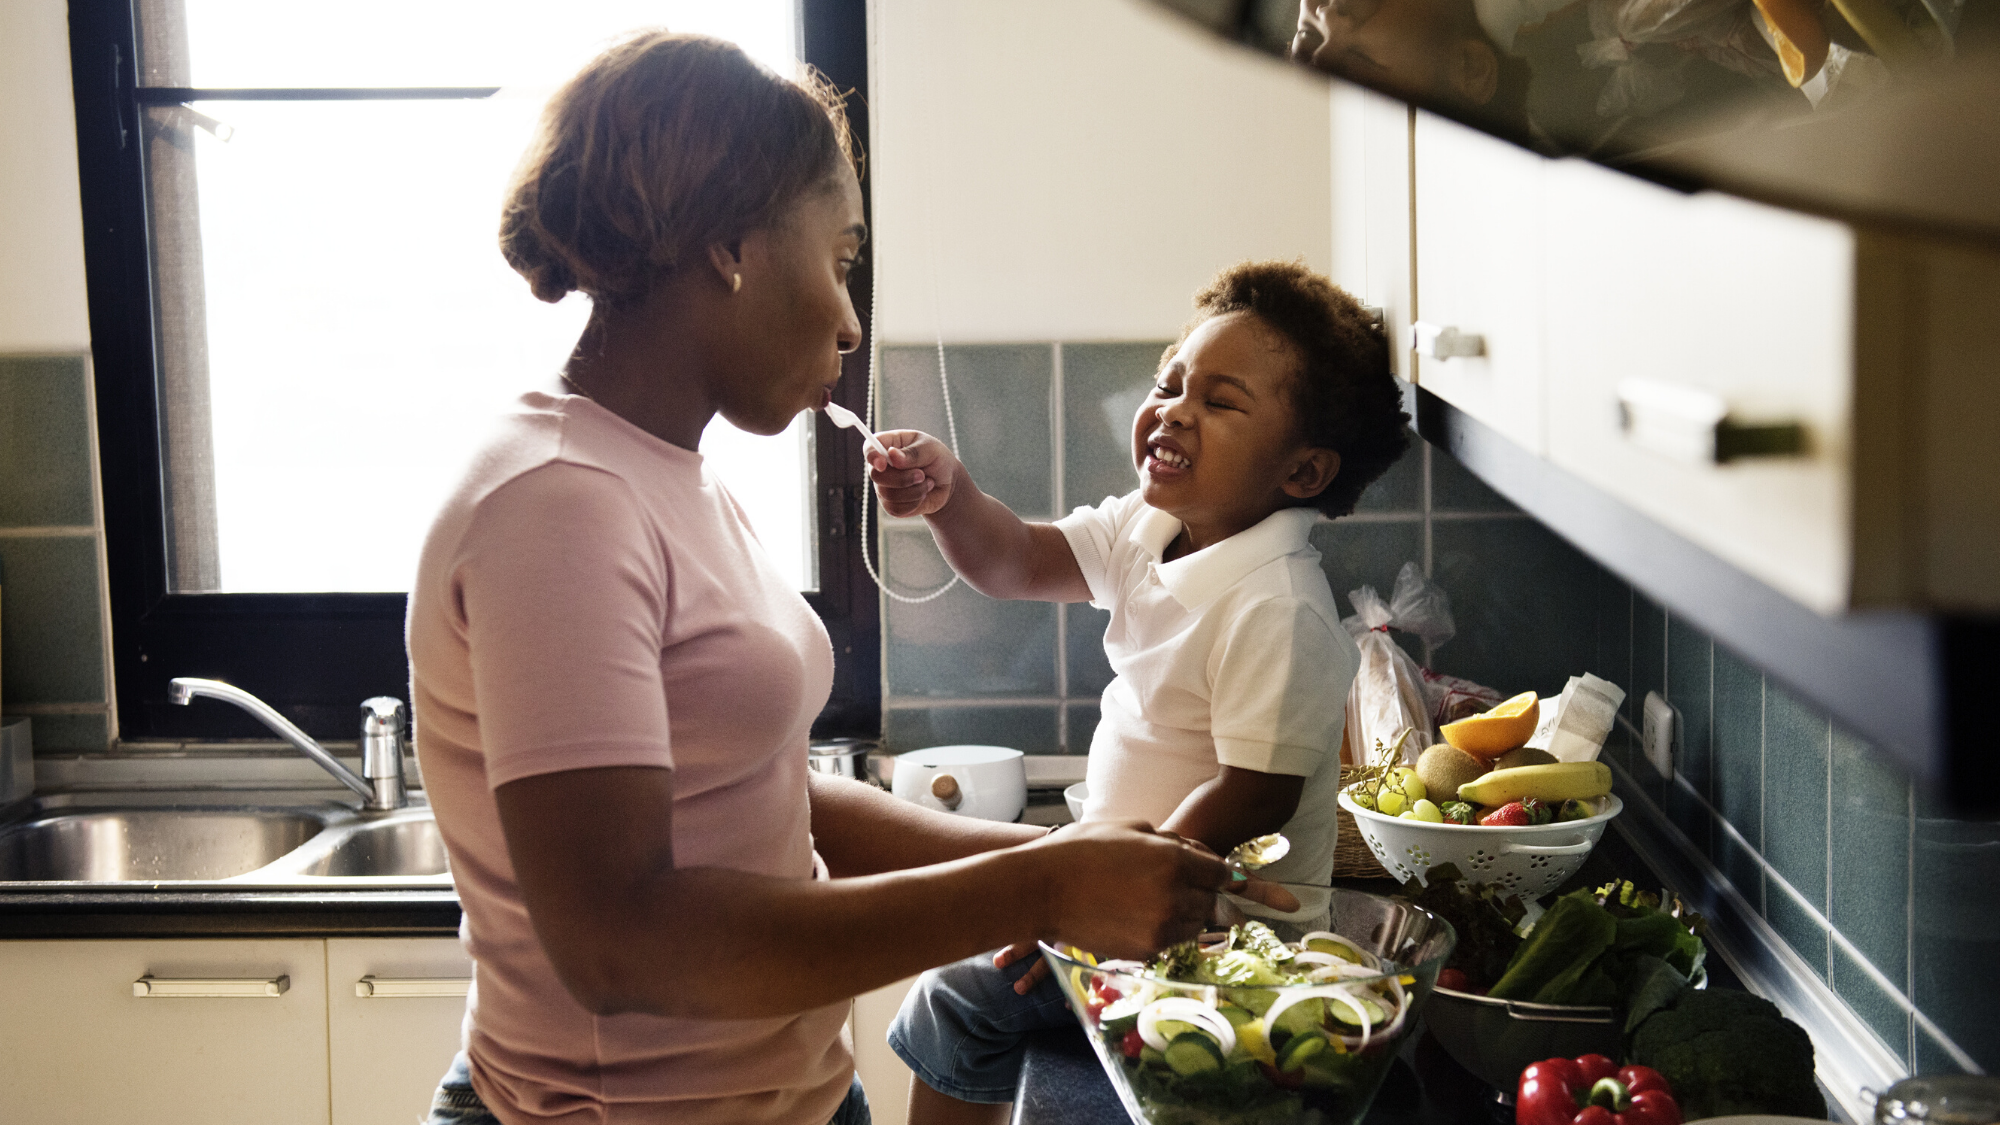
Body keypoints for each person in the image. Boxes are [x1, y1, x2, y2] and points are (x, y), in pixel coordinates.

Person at [406, 31, 1278, 1125]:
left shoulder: (663, 474)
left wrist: (1065, 860)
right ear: (731, 247)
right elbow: (621, 941)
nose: (850, 316)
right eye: (839, 258)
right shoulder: (554, 504)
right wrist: (1039, 887)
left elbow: (762, 791)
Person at [870, 261, 1411, 1125]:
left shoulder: (1277, 606)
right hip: (1123, 894)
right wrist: (950, 496)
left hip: (1215, 935)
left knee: (953, 1000)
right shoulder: (1147, 524)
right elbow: (1017, 560)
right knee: (959, 990)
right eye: (1170, 384)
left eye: (1221, 402)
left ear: (1303, 473)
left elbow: (1254, 793)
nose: (1174, 409)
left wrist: (1086, 892)